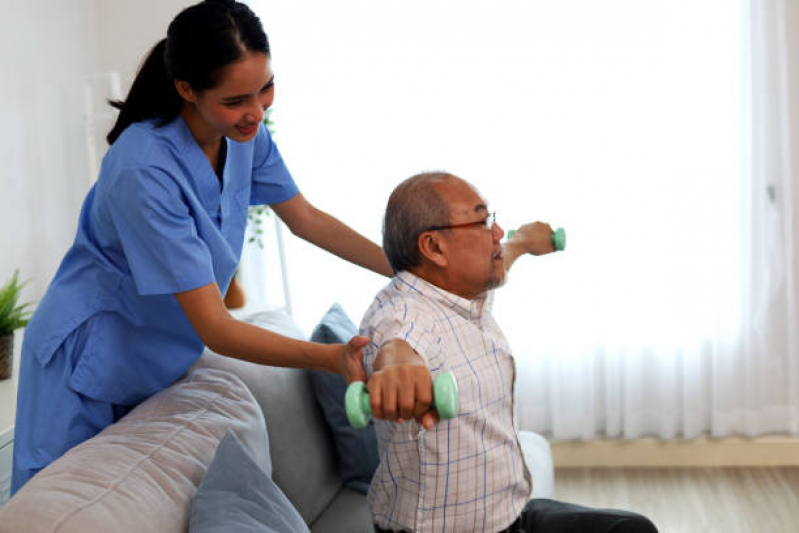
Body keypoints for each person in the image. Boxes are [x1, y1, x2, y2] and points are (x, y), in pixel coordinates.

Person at [11, 0, 393, 495]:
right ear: (187, 89)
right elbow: (216, 326)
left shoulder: (244, 136)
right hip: (84, 358)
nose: (256, 111)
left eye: (266, 89)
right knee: (55, 508)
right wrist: (331, 357)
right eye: (236, 100)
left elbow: (306, 219)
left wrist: (407, 266)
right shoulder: (143, 167)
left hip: (152, 355)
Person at [360, 172, 658, 532]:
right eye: (483, 220)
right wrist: (397, 366)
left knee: (632, 529)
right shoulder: (404, 315)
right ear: (435, 247)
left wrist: (524, 241)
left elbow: (504, 254)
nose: (496, 233)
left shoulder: (460, 293)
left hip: (511, 517)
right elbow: (396, 342)